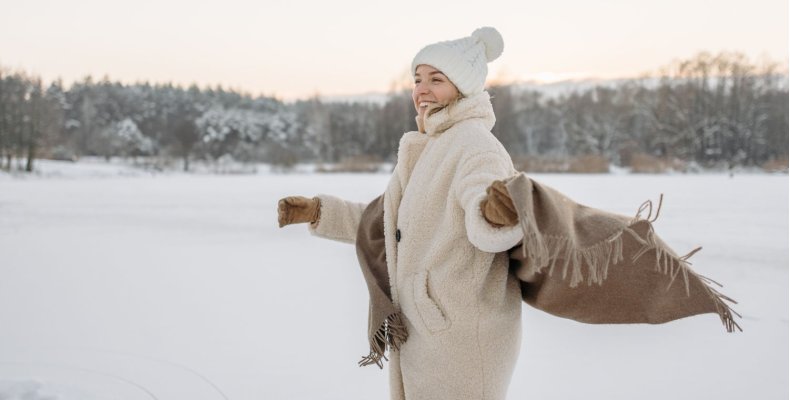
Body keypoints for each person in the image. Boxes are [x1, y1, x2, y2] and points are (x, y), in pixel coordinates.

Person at [279, 27, 527, 400]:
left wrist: (493, 212)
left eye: (436, 80)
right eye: (417, 79)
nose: (422, 89)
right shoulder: (430, 147)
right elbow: (391, 224)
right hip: (427, 330)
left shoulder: (475, 146)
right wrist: (319, 212)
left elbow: (491, 217)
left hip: (461, 335)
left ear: (462, 88)